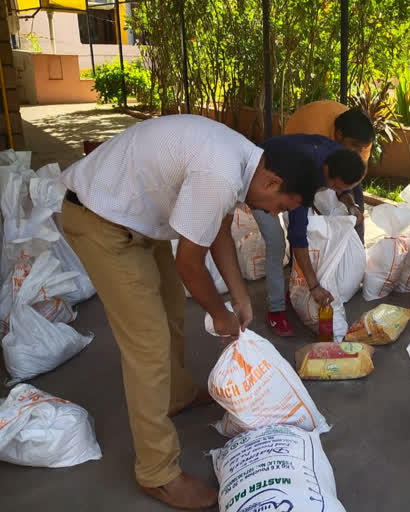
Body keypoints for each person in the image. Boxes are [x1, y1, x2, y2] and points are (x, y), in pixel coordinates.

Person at [60, 114, 317, 510]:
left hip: (141, 221)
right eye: (280, 206)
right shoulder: (221, 173)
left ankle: (175, 395)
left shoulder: (245, 162)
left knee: (171, 312)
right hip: (102, 220)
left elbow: (217, 232)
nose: (273, 213)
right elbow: (189, 264)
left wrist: (240, 296)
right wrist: (220, 313)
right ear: (272, 183)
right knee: (147, 344)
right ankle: (156, 472)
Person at [251, 134, 366, 337]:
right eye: (336, 187)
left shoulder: (339, 158)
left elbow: (343, 190)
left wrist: (350, 204)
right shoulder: (307, 175)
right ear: (327, 172)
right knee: (276, 241)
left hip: (286, 175)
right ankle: (276, 308)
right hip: (258, 181)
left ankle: (294, 289)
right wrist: (314, 286)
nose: (337, 191)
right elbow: (298, 236)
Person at [284, 102, 375, 242]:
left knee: (355, 205)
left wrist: (352, 205)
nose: (358, 151)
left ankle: (356, 246)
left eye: (361, 148)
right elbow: (314, 184)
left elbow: (353, 178)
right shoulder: (311, 137)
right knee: (303, 214)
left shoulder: (362, 139)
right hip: (299, 155)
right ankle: (297, 257)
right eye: (354, 146)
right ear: (339, 135)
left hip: (333, 154)